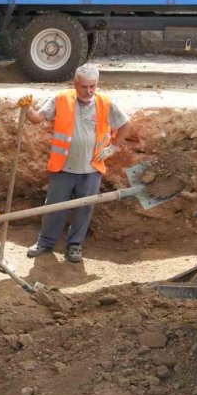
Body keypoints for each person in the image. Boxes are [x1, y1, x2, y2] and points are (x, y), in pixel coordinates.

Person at [19, 64, 132, 263]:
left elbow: (125, 125)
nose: (88, 91)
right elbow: (37, 118)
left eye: (93, 86)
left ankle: (75, 245)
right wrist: (26, 109)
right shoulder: (61, 99)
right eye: (84, 87)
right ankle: (45, 242)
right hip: (63, 167)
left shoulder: (105, 103)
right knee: (54, 206)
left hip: (91, 169)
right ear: (75, 84)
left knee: (85, 208)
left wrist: (113, 148)